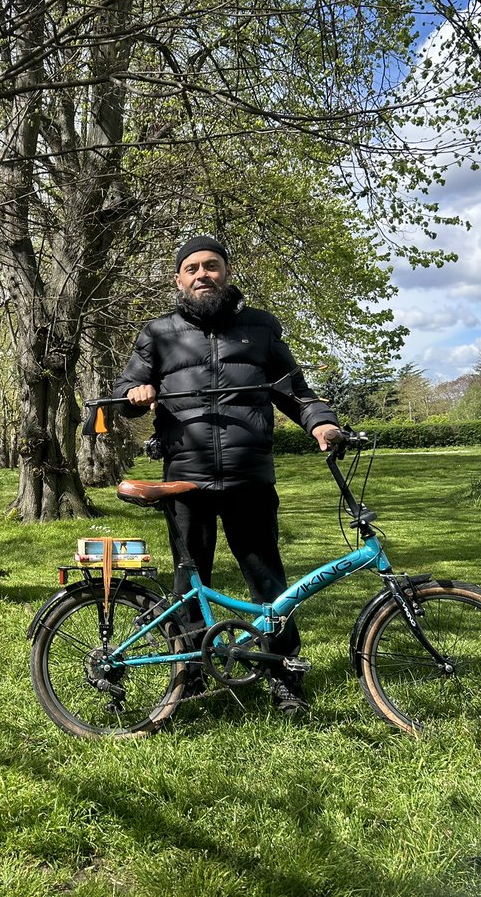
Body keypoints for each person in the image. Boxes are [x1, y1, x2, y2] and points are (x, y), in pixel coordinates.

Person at [112, 235, 341, 714]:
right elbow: (123, 392)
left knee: (268, 582)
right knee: (189, 579)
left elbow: (294, 391)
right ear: (179, 279)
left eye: (210, 266)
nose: (202, 275)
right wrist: (136, 391)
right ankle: (190, 673)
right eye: (191, 268)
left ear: (226, 272)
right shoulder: (158, 332)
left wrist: (320, 421)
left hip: (248, 476)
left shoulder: (260, 327)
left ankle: (282, 674)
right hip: (185, 477)